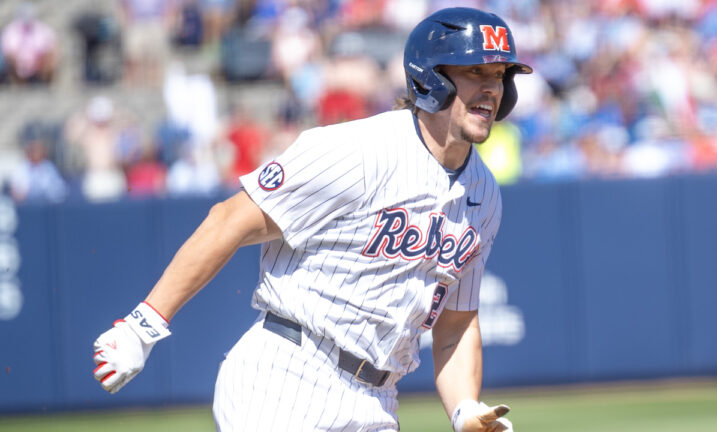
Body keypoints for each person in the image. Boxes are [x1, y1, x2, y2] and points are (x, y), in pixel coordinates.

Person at [92, 7, 532, 432]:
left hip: (378, 399)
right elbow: (228, 220)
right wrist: (143, 325)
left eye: (499, 75)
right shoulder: (359, 151)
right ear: (431, 76)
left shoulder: (484, 193)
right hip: (288, 374)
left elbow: (455, 324)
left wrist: (463, 409)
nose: (491, 88)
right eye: (475, 71)